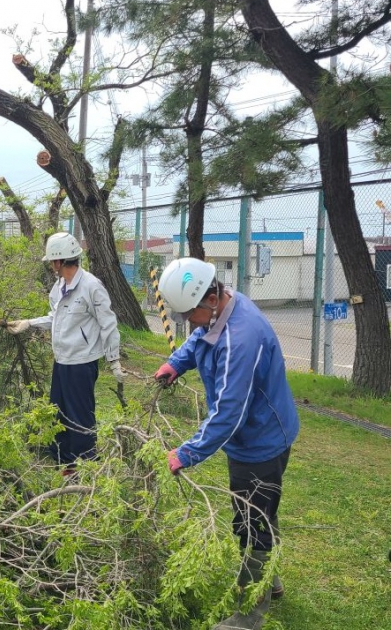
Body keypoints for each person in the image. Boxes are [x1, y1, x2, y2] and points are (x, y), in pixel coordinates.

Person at [154, 257, 299, 629]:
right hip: (257, 434)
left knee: (251, 522)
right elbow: (197, 339)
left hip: (260, 440)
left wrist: (187, 452)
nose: (188, 322)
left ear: (211, 299)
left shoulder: (241, 337)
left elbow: (228, 413)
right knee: (262, 509)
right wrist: (176, 363)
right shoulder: (221, 307)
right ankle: (271, 581)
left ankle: (249, 615)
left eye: (189, 314)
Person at [5, 232, 126, 476]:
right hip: (62, 361)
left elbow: (108, 323)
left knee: (80, 414)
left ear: (60, 261)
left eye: (52, 261)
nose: (51, 265)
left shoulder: (91, 286)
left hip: (82, 362)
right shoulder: (59, 287)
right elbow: (55, 317)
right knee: (58, 409)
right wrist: (29, 322)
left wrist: (113, 360)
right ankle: (63, 458)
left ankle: (85, 464)